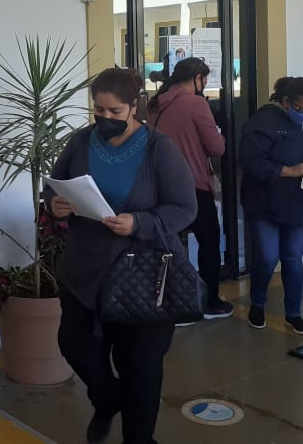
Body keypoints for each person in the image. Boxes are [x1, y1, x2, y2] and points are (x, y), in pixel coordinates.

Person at [47, 68, 197, 444]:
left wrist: (139, 223)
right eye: (98, 110)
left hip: (143, 276)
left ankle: (139, 438)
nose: (105, 118)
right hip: (85, 272)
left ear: (134, 106)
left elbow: (184, 208)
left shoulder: (159, 148)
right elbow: (55, 185)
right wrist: (56, 204)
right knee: (76, 347)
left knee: (140, 369)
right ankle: (106, 399)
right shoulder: (81, 142)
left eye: (114, 111)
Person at [239, 76, 303, 336]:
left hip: (299, 202)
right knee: (267, 257)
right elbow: (250, 161)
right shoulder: (262, 122)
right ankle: (257, 304)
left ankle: (294, 312)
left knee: (293, 257)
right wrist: (288, 170)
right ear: (286, 102)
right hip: (265, 203)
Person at [147, 57, 232, 318]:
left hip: (161, 188)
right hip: (194, 185)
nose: (204, 85)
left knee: (172, 247)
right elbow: (216, 147)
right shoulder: (196, 103)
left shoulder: (155, 104)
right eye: (204, 80)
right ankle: (211, 303)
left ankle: (174, 304)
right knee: (209, 243)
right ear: (196, 79)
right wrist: (221, 134)